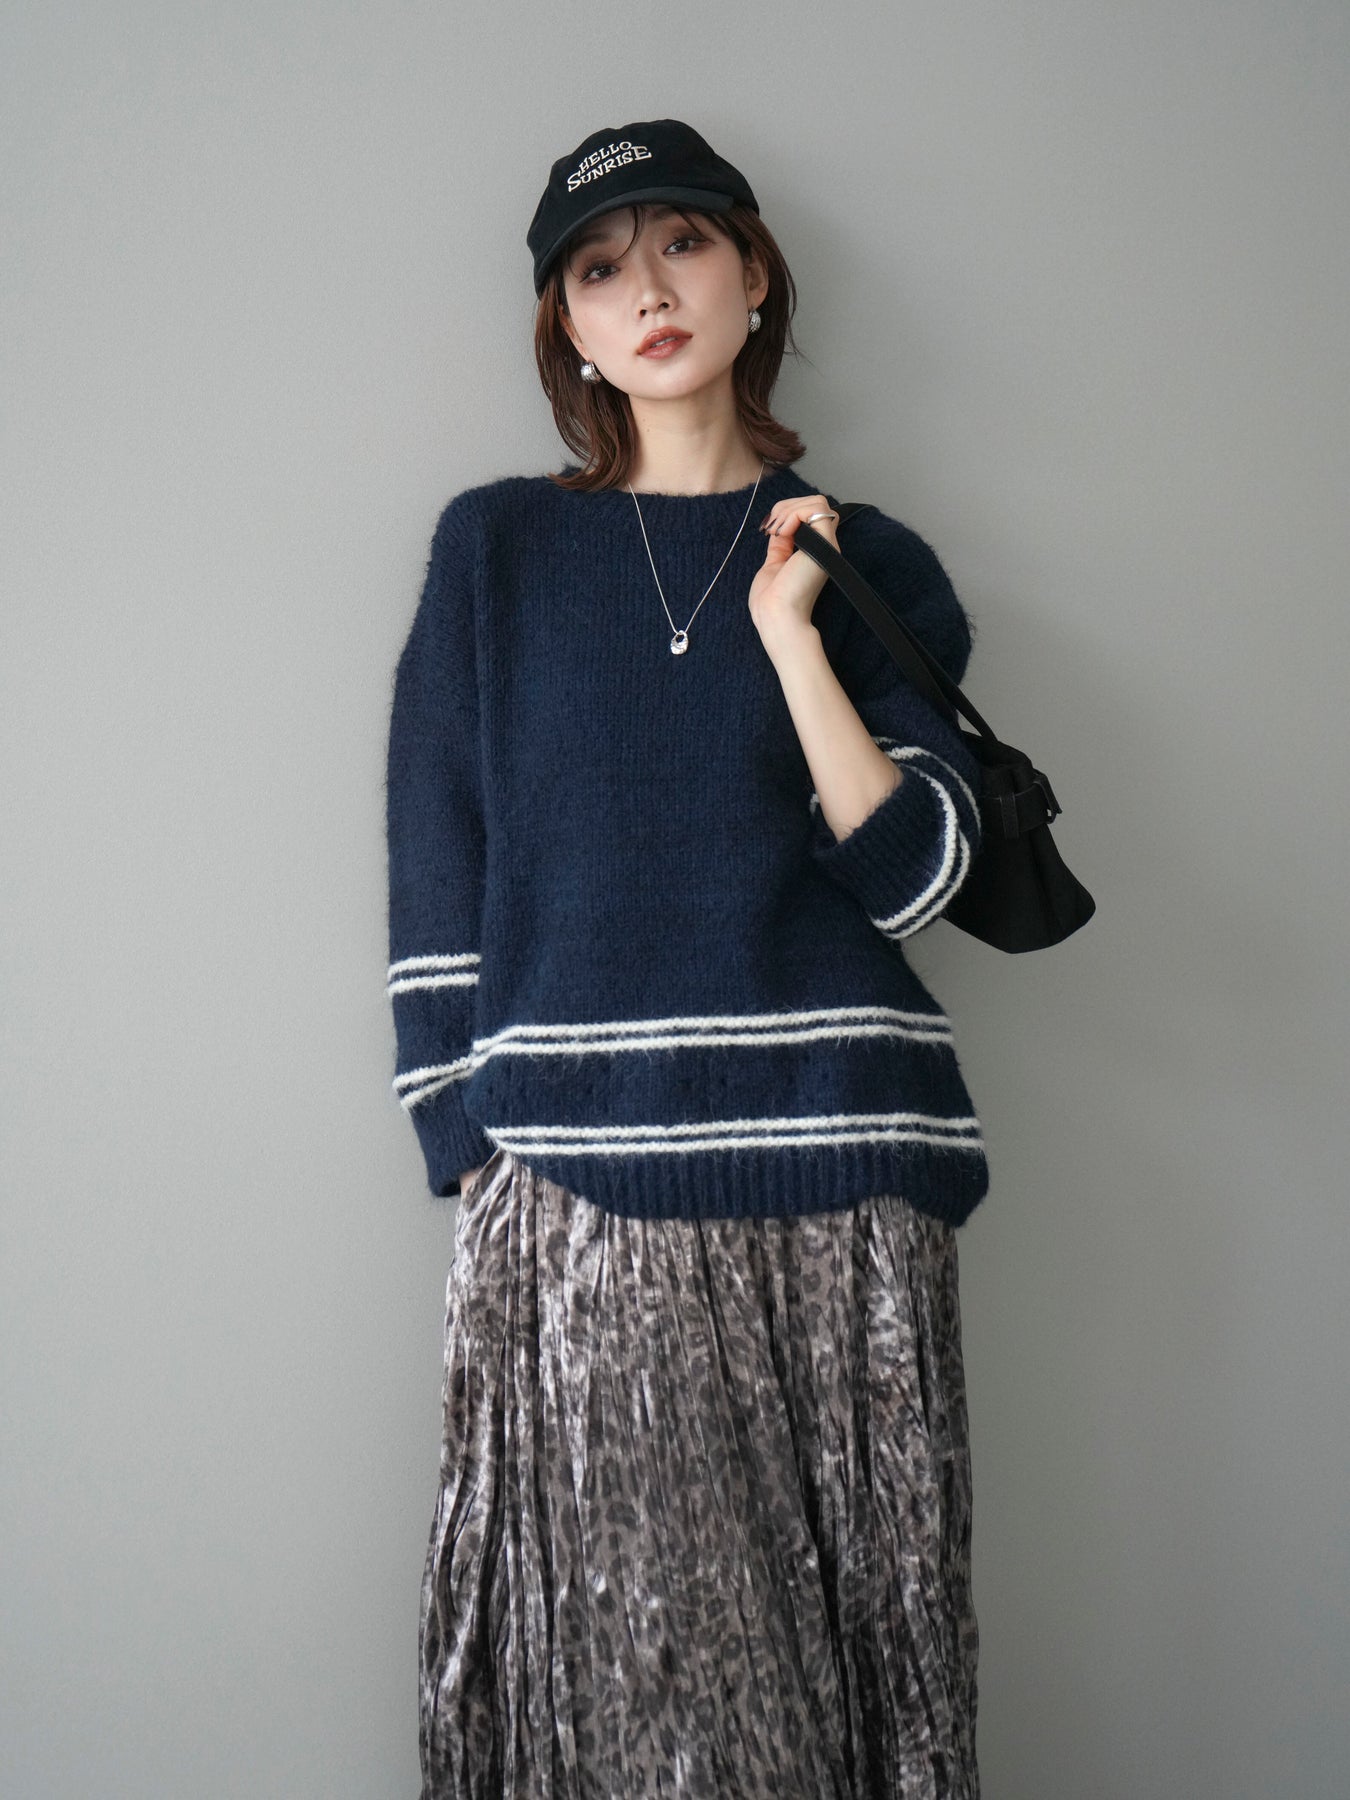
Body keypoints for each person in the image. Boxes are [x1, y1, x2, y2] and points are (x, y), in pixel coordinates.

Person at [386, 116, 986, 1800]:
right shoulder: (495, 555)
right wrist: (464, 1134)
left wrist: (791, 635)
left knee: (862, 1677)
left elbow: (918, 877)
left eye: (681, 246)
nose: (646, 291)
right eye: (599, 270)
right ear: (568, 330)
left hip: (840, 1172)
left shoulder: (864, 559)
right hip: (575, 1180)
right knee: (622, 1692)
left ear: (752, 275)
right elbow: (439, 853)